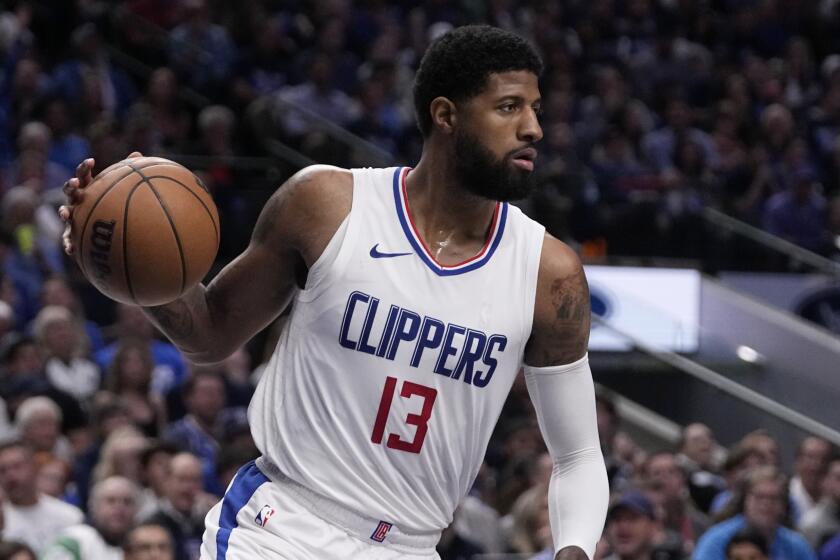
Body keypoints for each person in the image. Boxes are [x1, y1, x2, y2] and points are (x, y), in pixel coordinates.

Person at [60, 25, 608, 560]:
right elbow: (210, 336)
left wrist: (574, 550)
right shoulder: (327, 204)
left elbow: (579, 454)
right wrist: (125, 264)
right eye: (510, 107)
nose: (533, 127)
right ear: (446, 116)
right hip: (281, 530)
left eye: (536, 108)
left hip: (412, 546)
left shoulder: (550, 274)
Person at [40, 476, 140, 560]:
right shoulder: (75, 541)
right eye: (111, 501)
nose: (119, 507)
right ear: (94, 507)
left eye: (127, 502)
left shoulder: (144, 544)